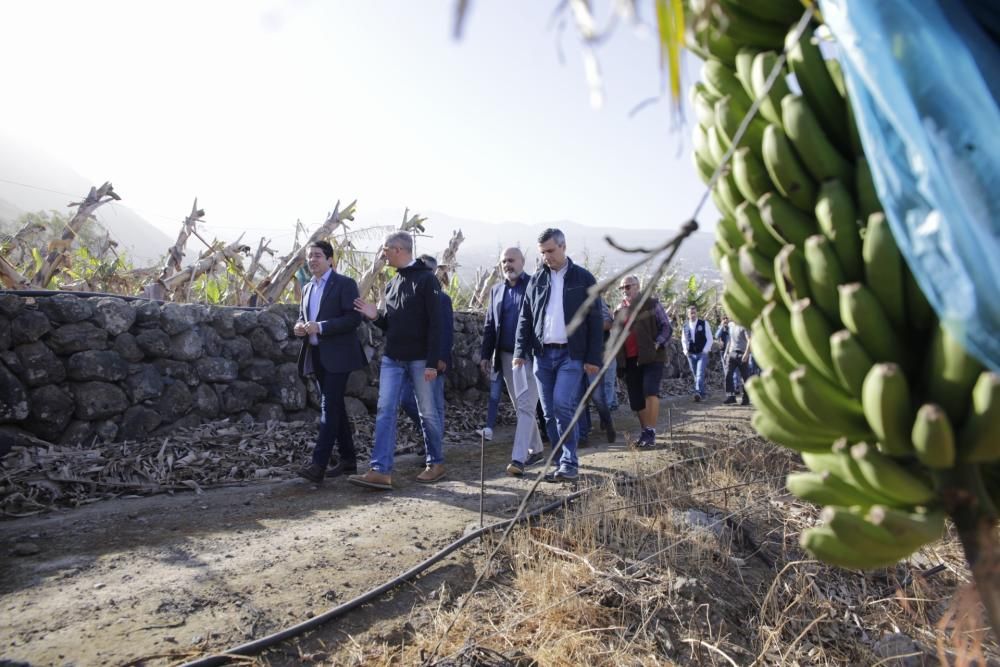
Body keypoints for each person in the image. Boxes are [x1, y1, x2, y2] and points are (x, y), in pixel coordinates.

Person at [348, 232, 444, 489]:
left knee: (427, 413)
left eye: (385, 250)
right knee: (385, 411)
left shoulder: (427, 281)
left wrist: (433, 362)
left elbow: (437, 323)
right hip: (393, 358)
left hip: (421, 359)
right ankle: (381, 470)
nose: (383, 254)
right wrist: (374, 316)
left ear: (399, 250)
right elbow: (390, 325)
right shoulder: (391, 284)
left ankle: (436, 463)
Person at [513, 228, 603, 483]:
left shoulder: (583, 278)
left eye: (550, 251)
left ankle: (568, 462)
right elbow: (526, 317)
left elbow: (595, 322)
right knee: (550, 413)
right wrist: (520, 351)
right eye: (542, 253)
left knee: (563, 405)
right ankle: (560, 460)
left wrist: (593, 358)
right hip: (542, 356)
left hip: (571, 355)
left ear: (563, 247)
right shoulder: (537, 280)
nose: (546, 257)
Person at [294, 240, 366, 484]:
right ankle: (348, 460)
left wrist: (321, 327)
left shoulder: (345, 284)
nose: (312, 260)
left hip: (339, 357)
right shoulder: (307, 288)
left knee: (328, 407)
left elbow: (353, 319)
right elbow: (303, 316)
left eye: (317, 255)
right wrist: (299, 326)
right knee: (334, 407)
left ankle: (318, 465)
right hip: (317, 356)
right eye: (309, 256)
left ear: (329, 259)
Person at [480, 247, 545, 476]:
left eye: (512, 260)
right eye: (504, 261)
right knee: (521, 406)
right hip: (506, 358)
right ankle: (536, 449)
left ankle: (518, 459)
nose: (508, 264)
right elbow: (490, 326)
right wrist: (486, 355)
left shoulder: (535, 285)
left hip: (531, 357)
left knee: (526, 405)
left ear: (522, 261)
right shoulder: (496, 291)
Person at [399, 254, 452, 447]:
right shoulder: (409, 296)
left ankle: (434, 449)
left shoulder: (442, 299)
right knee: (407, 400)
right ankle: (431, 439)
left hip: (432, 359)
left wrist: (440, 357)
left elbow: (445, 329)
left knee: (434, 405)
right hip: (410, 359)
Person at [614, 276, 673, 447]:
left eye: (628, 286)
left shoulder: (651, 303)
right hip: (630, 359)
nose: (625, 290)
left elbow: (667, 327)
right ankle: (645, 432)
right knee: (636, 399)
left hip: (652, 356)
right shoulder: (619, 310)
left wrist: (657, 343)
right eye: (622, 288)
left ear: (638, 287)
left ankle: (650, 432)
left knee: (650, 391)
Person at [575, 296, 615, 446]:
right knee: (578, 397)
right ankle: (583, 435)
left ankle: (608, 422)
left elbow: (608, 323)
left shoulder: (597, 299)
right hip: (575, 355)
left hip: (594, 355)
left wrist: (588, 326)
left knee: (598, 396)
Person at [681, 305, 713, 402]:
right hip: (691, 354)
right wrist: (685, 351)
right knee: (696, 375)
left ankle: (698, 392)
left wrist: (705, 350)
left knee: (699, 374)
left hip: (702, 353)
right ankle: (701, 394)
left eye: (694, 312)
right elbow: (683, 339)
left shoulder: (704, 323)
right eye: (691, 313)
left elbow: (710, 338)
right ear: (688, 314)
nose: (693, 314)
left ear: (697, 313)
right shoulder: (685, 325)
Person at [723, 320, 753, 406]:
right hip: (732, 353)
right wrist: (727, 352)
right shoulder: (731, 325)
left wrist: (747, 354)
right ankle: (731, 397)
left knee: (745, 377)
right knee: (728, 374)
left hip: (742, 354)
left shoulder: (744, 325)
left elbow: (750, 340)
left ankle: (746, 398)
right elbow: (730, 339)